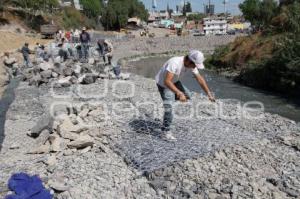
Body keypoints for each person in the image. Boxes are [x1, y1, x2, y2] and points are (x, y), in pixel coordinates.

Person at [155, 50, 215, 141]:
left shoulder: (191, 64)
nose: (195, 67)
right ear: (188, 61)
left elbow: (200, 79)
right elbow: (167, 81)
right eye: (194, 65)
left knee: (188, 96)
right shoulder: (174, 63)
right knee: (170, 108)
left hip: (175, 81)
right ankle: (165, 132)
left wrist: (209, 94)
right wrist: (179, 93)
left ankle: (169, 101)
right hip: (164, 84)